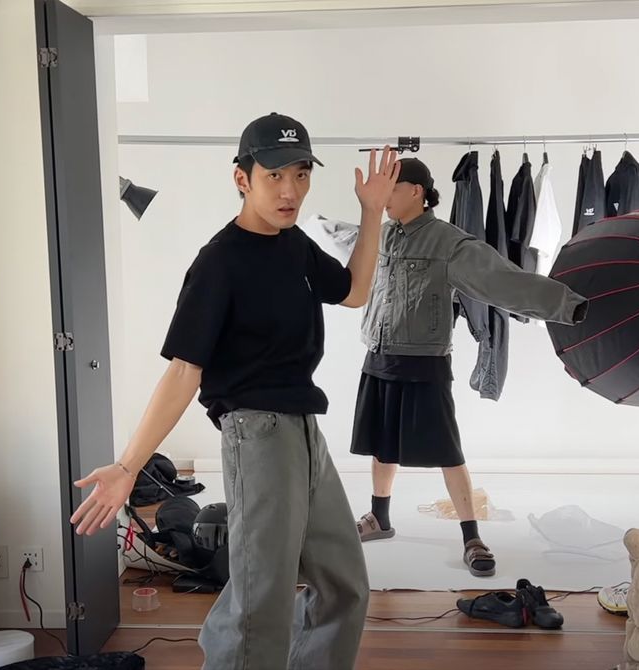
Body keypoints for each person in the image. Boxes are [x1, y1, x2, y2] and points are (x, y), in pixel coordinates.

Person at [69, 112, 401, 669]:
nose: (290, 190)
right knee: (260, 601)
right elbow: (183, 371)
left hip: (303, 430)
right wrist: (129, 466)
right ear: (242, 178)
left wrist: (372, 213)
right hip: (256, 434)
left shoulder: (294, 246)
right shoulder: (219, 262)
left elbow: (354, 291)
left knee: (345, 585)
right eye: (275, 175)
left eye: (300, 174)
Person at [352, 157, 588, 577]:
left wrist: (569, 305)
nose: (383, 197)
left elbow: (504, 281)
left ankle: (471, 536)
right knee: (381, 442)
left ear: (415, 191)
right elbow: (347, 255)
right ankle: (379, 518)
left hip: (424, 361)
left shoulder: (449, 243)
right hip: (379, 353)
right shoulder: (383, 234)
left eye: (390, 187)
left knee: (447, 450)